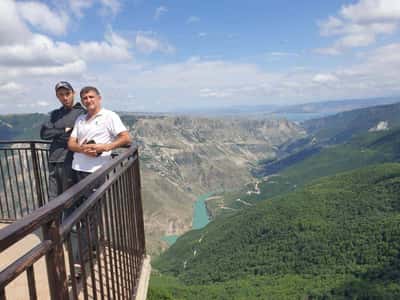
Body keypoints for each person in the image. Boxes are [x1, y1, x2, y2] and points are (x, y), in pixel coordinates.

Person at [67, 86, 131, 278]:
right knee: (85, 214)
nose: (88, 100)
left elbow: (126, 137)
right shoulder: (80, 119)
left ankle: (79, 262)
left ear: (99, 98)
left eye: (91, 97)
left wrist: (106, 146)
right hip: (78, 170)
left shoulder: (109, 116)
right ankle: (93, 248)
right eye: (84, 98)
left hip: (95, 172)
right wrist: (82, 149)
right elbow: (70, 144)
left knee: (88, 216)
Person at [40, 81, 86, 200]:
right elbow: (44, 134)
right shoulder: (55, 114)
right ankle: (55, 219)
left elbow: (75, 135)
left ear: (73, 93)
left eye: (67, 93)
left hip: (69, 160)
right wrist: (63, 131)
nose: (65, 97)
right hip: (53, 159)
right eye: (61, 94)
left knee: (68, 197)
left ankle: (68, 219)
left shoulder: (81, 113)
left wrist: (56, 132)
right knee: (53, 197)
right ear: (57, 96)